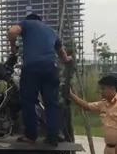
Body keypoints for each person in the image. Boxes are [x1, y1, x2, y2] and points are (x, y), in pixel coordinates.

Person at [7, 12, 72, 145]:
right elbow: (63, 55)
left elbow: (12, 31)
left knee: (28, 101)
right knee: (52, 103)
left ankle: (31, 136)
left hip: (32, 68)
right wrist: (68, 59)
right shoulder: (51, 31)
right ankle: (53, 136)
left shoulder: (27, 24)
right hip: (50, 68)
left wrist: (13, 48)